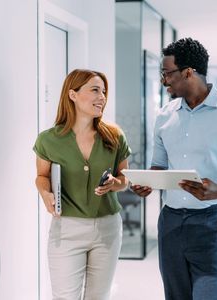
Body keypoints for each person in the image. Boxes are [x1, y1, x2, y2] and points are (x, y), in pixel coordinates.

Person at [131, 38, 217, 300]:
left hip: (212, 224)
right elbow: (160, 166)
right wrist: (148, 182)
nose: (163, 81)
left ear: (188, 72)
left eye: (167, 74)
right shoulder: (165, 116)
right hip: (171, 224)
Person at [34, 69, 131, 300]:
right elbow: (42, 176)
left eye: (104, 91)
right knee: (65, 296)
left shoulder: (114, 136)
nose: (102, 97)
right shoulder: (49, 139)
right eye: (95, 90)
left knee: (99, 296)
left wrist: (115, 183)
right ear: (73, 95)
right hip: (66, 230)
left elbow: (125, 179)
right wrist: (45, 193)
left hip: (107, 229)